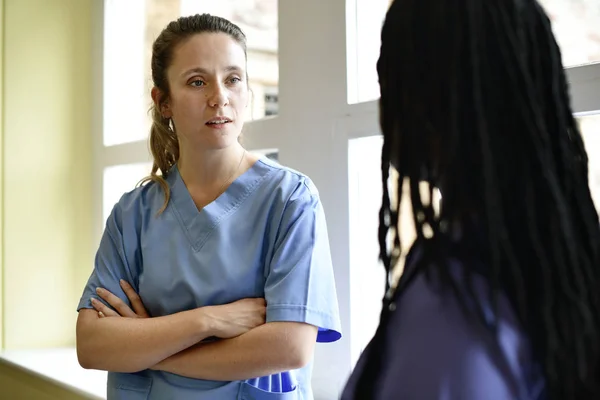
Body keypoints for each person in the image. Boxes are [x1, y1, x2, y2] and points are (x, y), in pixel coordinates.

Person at [342, 0, 600, 399]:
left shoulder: (453, 313)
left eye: (388, 81)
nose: (382, 105)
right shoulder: (554, 268)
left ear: (429, 104)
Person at [76, 14, 341, 400]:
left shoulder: (291, 199)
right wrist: (209, 320)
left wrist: (150, 349)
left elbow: (289, 347)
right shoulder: (132, 214)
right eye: (197, 82)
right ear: (163, 101)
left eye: (233, 79)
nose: (220, 97)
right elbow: (93, 345)